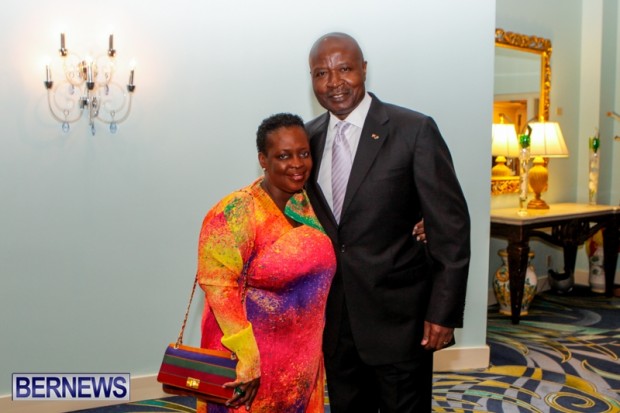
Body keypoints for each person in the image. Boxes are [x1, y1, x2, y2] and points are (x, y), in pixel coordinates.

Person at [304, 32, 471, 412]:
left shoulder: (414, 130)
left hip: (400, 320)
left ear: (364, 69)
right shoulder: (308, 140)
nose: (334, 82)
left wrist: (443, 312)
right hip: (335, 322)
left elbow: (451, 229)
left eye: (345, 69)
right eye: (321, 73)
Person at [196, 113, 336, 412]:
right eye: (284, 156)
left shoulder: (309, 206)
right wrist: (246, 357)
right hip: (249, 363)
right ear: (263, 159)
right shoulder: (237, 209)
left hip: (302, 360)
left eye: (303, 153)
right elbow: (218, 286)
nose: (297, 164)